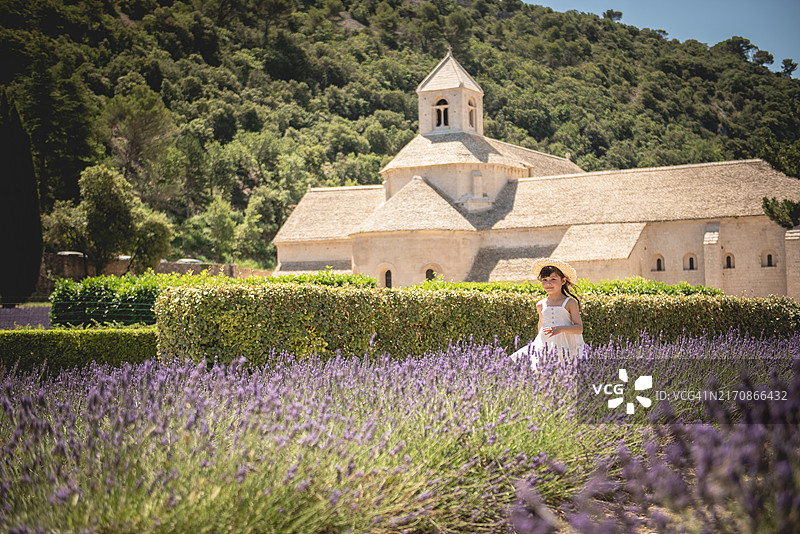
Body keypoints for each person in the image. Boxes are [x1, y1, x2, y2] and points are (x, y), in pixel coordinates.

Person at [510, 258, 585, 369]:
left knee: (567, 375)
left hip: (567, 346)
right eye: (544, 279)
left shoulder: (570, 303)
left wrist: (560, 329)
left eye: (553, 279)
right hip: (547, 346)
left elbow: (579, 328)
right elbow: (541, 328)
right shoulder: (541, 305)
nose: (548, 283)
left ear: (563, 281)